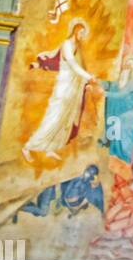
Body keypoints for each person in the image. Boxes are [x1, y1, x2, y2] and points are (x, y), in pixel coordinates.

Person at [22, 19, 97, 161]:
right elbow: (73, 64)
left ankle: (50, 148)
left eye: (84, 33)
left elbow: (81, 65)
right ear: (76, 31)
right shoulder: (67, 45)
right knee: (53, 118)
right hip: (64, 86)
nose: (82, 35)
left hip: (73, 88)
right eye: (81, 32)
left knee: (63, 120)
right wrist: (88, 77)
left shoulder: (78, 47)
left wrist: (86, 81)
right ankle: (28, 146)